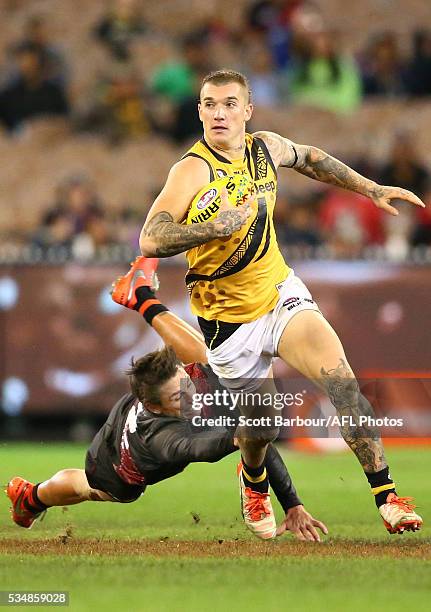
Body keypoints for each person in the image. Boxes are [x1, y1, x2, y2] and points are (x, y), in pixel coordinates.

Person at [138, 69, 424, 539]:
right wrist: (209, 228)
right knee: (262, 428)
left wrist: (369, 188)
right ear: (200, 112)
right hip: (227, 323)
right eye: (209, 104)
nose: (219, 113)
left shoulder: (264, 148)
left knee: (344, 384)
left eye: (230, 103)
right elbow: (151, 236)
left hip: (279, 294)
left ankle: (388, 496)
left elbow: (311, 158)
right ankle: (253, 480)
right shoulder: (191, 170)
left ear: (248, 111)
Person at [6, 257, 327, 543]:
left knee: (210, 362)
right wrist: (244, 440)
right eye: (178, 395)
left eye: (185, 383)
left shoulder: (176, 386)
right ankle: (31, 497)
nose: (190, 393)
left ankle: (142, 298)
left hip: (139, 407)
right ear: (158, 406)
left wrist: (292, 504)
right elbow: (215, 446)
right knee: (89, 487)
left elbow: (254, 433)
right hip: (117, 467)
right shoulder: (163, 438)